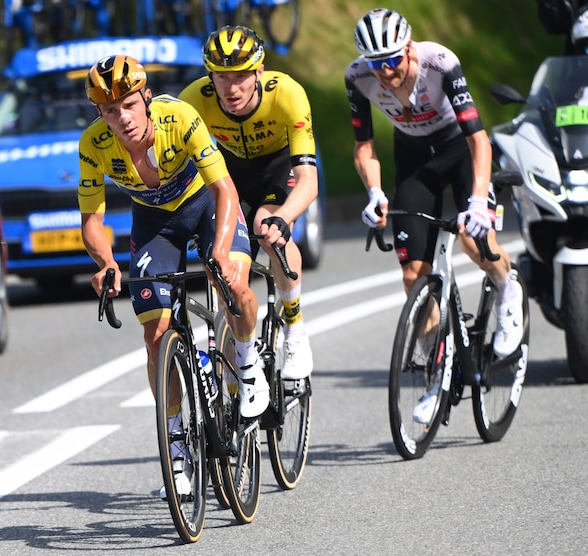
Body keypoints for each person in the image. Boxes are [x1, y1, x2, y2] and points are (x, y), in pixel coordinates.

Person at [77, 54, 268, 497]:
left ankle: (245, 359)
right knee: (156, 334)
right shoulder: (93, 145)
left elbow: (225, 189)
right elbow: (92, 218)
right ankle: (179, 444)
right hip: (154, 222)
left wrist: (219, 250)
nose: (121, 117)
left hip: (207, 205)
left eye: (128, 104)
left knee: (234, 284)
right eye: (109, 110)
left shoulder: (179, 117)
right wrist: (105, 263)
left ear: (145, 97)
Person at [346, 9, 525, 423]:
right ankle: (437, 372)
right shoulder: (357, 77)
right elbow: (364, 146)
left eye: (392, 59)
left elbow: (479, 140)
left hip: (459, 150)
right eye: (377, 63)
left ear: (408, 48)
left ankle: (506, 288)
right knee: (413, 275)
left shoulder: (440, 63)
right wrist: (374, 191)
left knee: (470, 238)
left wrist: (478, 199)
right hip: (413, 159)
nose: (385, 71)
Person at [178, 25, 317, 380]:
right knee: (229, 271)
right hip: (232, 172)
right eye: (222, 77)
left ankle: (295, 329)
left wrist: (284, 218)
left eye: (241, 76)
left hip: (278, 168)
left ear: (259, 71)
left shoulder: (287, 93)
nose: (231, 87)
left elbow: (309, 181)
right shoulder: (194, 98)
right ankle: (244, 354)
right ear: (210, 76)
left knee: (267, 229)